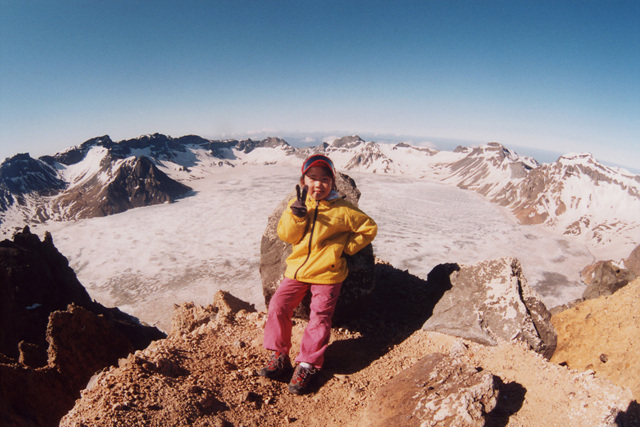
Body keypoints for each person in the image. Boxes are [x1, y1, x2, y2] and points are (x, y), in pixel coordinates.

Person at [258, 154, 378, 395]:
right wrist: (296, 216)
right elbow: (287, 236)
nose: (318, 184)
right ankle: (279, 355)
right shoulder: (298, 205)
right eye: (312, 178)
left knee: (320, 317)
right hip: (298, 270)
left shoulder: (344, 209)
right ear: (303, 180)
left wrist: (346, 248)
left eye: (324, 179)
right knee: (278, 305)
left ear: (332, 183)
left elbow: (369, 227)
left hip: (328, 273)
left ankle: (307, 364)